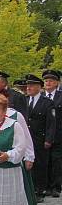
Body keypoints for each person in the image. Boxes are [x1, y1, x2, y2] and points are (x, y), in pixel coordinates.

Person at [24, 74, 56, 203]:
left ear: (39, 87)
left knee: (40, 164)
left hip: (40, 138)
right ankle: (29, 189)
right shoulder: (25, 100)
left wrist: (49, 139)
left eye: (32, 85)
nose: (28, 87)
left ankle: (39, 190)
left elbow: (51, 123)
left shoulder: (47, 103)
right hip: (26, 137)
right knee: (27, 163)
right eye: (28, 85)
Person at [43, 69, 62, 197]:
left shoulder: (60, 96)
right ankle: (46, 185)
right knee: (45, 160)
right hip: (44, 134)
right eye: (46, 80)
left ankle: (56, 186)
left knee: (56, 161)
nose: (48, 83)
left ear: (57, 83)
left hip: (59, 134)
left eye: (51, 80)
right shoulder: (41, 97)